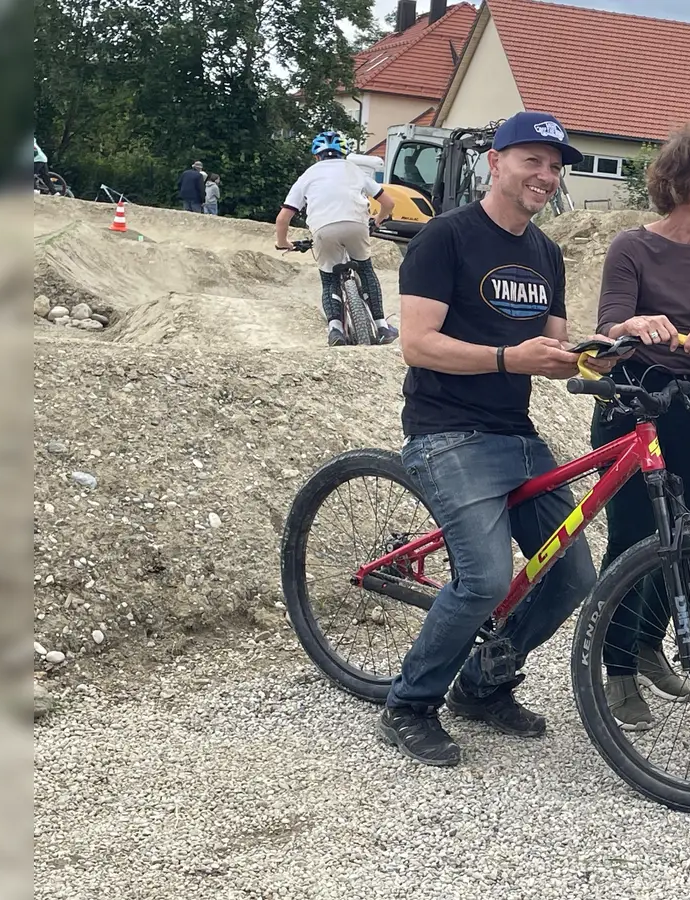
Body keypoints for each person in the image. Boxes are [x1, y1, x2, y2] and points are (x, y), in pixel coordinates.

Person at [379, 111, 620, 767]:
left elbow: (555, 350)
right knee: (484, 579)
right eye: (532, 160)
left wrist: (594, 357)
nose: (546, 175)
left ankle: (483, 687)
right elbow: (418, 345)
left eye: (555, 165)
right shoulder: (445, 238)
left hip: (514, 435)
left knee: (572, 574)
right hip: (445, 431)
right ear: (495, 160)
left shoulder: (546, 253)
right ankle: (408, 703)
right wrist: (510, 359)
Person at [587, 123, 690, 730]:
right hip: (631, 397)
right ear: (681, 181)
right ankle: (616, 670)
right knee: (632, 535)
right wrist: (636, 325)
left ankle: (649, 642)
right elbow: (608, 325)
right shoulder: (631, 246)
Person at [274, 130, 399, 346]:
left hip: (323, 229)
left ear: (316, 157)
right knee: (366, 269)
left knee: (329, 278)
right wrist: (377, 221)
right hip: (356, 224)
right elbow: (388, 203)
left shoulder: (308, 175)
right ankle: (381, 326)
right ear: (344, 154)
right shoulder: (355, 170)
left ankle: (335, 330)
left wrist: (283, 243)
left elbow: (283, 218)